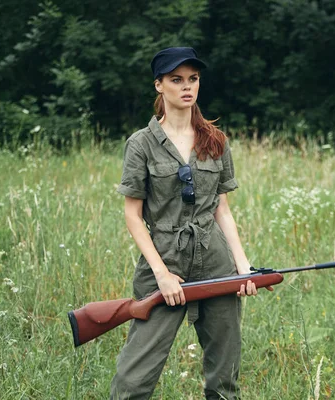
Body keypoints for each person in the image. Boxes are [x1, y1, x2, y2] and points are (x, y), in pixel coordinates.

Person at [110, 47, 260, 400]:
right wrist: (161, 274)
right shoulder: (141, 144)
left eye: (193, 79)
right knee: (133, 381)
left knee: (224, 378)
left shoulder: (215, 140)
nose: (186, 87)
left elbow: (221, 209)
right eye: (176, 80)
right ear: (159, 85)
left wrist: (243, 268)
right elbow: (133, 215)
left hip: (215, 261)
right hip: (164, 261)